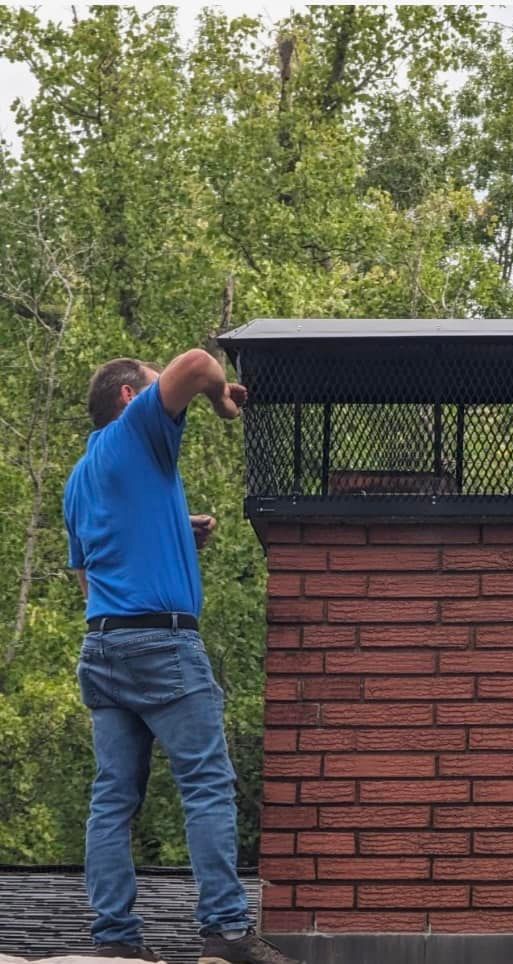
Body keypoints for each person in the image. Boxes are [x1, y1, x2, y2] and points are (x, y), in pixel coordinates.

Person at [64, 352, 301, 964]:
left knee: (113, 796)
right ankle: (224, 929)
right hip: (162, 647)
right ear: (128, 397)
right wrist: (222, 399)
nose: (161, 399)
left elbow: (90, 578)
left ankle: (114, 938)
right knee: (207, 784)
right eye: (149, 387)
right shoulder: (136, 429)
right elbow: (196, 364)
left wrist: (174, 526)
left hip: (104, 646)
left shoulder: (82, 474)